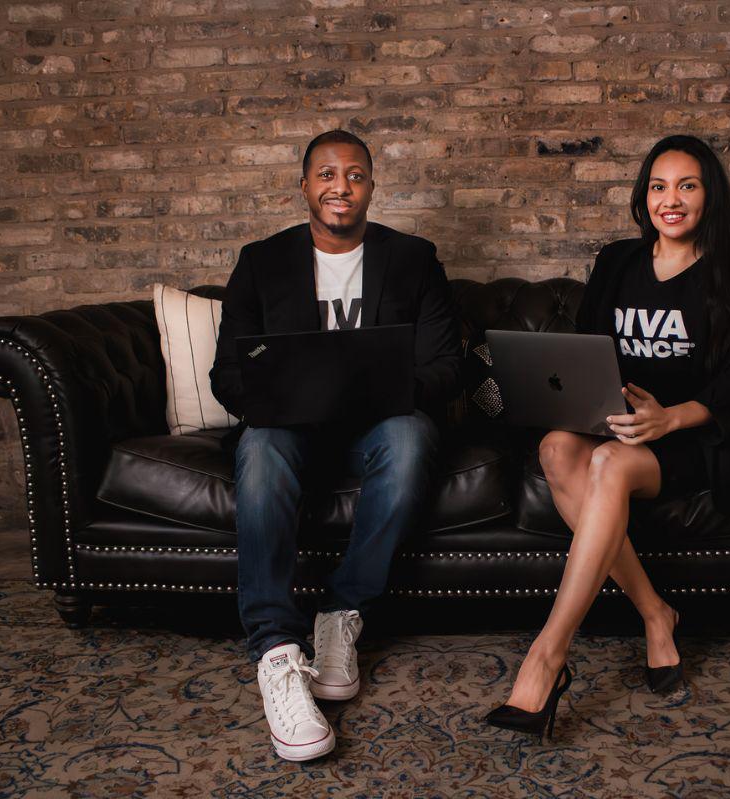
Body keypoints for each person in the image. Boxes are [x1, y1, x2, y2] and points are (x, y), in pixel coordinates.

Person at [484, 134, 730, 739]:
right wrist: (590, 402)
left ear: (709, 196)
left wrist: (669, 417)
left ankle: (547, 658)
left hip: (691, 437)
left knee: (610, 465)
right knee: (557, 449)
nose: (671, 200)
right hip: (619, 422)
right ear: (644, 198)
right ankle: (655, 612)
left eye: (687, 186)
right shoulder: (617, 262)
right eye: (658, 186)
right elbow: (589, 351)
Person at [210, 130, 460, 761]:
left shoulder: (413, 259)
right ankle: (276, 649)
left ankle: (340, 613)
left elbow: (444, 367)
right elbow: (228, 375)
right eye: (326, 175)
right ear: (304, 187)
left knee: (409, 443)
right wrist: (278, 402)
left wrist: (375, 396)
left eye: (354, 175)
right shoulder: (261, 262)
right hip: (289, 431)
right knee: (262, 452)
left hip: (378, 427)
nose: (339, 187)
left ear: (372, 187)